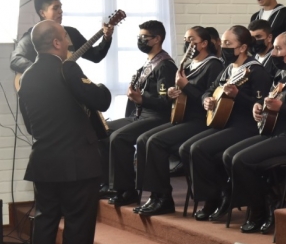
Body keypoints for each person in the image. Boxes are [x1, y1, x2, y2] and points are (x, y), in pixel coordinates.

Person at [18, 20, 111, 244]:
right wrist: (102, 87)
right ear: (56, 43)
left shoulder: (27, 76)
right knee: (78, 225)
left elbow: (30, 126)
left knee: (45, 224)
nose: (69, 43)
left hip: (43, 161)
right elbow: (100, 100)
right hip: (77, 163)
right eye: (66, 38)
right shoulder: (67, 67)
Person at [223, 31, 286, 234]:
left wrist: (282, 108)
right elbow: (270, 100)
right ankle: (271, 202)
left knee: (242, 160)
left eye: (279, 49)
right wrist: (259, 107)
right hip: (278, 131)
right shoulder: (283, 72)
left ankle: (262, 208)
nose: (274, 53)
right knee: (229, 155)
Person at [181, 26, 272, 221]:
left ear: (243, 48)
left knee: (199, 149)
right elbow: (211, 89)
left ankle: (217, 197)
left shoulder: (256, 71)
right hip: (223, 122)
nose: (224, 47)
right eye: (223, 43)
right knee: (186, 148)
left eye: (229, 44)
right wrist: (207, 99)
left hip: (245, 126)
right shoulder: (228, 68)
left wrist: (239, 96)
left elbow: (262, 105)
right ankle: (219, 192)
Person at [132, 27, 224, 216]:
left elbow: (209, 99)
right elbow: (183, 96)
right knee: (143, 139)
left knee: (156, 142)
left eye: (192, 40)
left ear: (204, 43)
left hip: (201, 120)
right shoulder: (189, 66)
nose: (187, 43)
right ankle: (154, 194)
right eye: (185, 39)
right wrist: (174, 94)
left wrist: (186, 87)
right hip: (184, 118)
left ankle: (165, 197)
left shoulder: (213, 65)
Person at [106, 20, 178, 207]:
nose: (140, 40)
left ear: (157, 39)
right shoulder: (148, 62)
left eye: (144, 37)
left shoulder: (165, 66)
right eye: (139, 37)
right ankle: (111, 184)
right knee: (103, 129)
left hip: (156, 117)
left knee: (119, 137)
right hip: (139, 115)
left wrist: (142, 100)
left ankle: (127, 190)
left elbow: (166, 103)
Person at [10, 0, 113, 74]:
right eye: (55, 8)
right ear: (42, 13)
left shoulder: (71, 33)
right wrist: (40, 71)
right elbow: (15, 60)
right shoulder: (31, 36)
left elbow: (95, 56)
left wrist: (106, 38)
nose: (61, 11)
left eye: (60, 7)